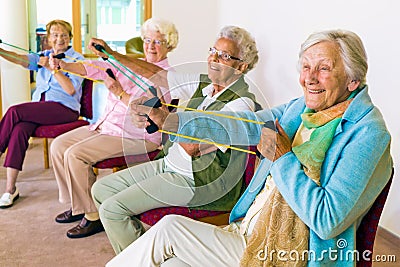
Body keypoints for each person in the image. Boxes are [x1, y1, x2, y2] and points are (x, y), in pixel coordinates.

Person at [111, 29, 393, 266]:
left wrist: (283, 158)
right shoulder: (301, 108)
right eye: (306, 67)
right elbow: (242, 124)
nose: (309, 78)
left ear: (353, 80)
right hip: (251, 230)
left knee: (169, 230)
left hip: (291, 254)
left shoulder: (368, 133)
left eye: (324, 68)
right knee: (170, 262)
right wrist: (171, 121)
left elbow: (327, 220)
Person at [90, 25, 261, 254]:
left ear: (241, 67)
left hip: (199, 180)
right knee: (101, 190)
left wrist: (163, 119)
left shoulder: (241, 103)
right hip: (171, 163)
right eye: (213, 50)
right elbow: (156, 74)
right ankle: (146, 252)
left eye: (225, 56)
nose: (214, 58)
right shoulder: (205, 85)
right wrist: (113, 55)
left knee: (113, 210)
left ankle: (139, 258)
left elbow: (192, 146)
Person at [48, 18, 178, 239]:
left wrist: (119, 91)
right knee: (59, 145)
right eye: (147, 40)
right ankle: (79, 204)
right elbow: (95, 69)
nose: (151, 46)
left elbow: (148, 111)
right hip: (107, 126)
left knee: (75, 154)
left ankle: (92, 216)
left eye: (158, 41)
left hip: (135, 136)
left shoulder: (166, 76)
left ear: (169, 45)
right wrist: (64, 65)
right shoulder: (131, 63)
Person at [0, 20, 84, 208]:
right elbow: (19, 59)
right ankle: (10, 189)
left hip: (64, 109)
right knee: (19, 129)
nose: (59, 39)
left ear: (70, 37)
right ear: (48, 38)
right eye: (55, 34)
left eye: (64, 35)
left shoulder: (77, 60)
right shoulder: (43, 55)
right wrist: (1, 51)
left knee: (15, 111)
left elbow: (70, 89)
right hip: (41, 110)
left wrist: (53, 69)